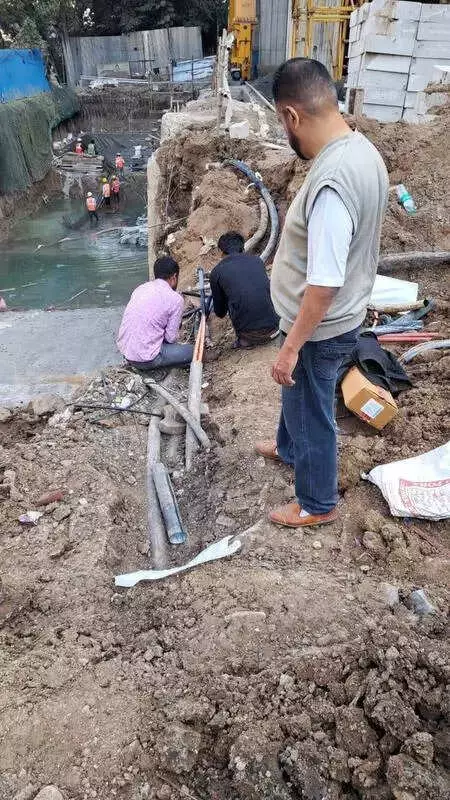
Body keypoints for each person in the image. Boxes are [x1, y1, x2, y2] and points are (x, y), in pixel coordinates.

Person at [255, 58, 389, 529]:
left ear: (292, 116)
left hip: (320, 328)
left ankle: (316, 501)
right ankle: (289, 448)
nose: (285, 133)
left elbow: (325, 282)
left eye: (281, 122)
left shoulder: (332, 183)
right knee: (297, 397)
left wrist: (291, 346)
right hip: (333, 318)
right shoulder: (360, 150)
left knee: (311, 408)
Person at [117, 256, 194, 370]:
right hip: (147, 359)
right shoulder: (175, 299)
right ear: (174, 277)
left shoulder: (140, 289)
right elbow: (170, 338)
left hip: (126, 353)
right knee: (193, 351)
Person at [210, 231, 279, 348]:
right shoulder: (257, 261)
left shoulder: (217, 272)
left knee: (232, 299)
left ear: (221, 252)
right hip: (275, 328)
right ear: (243, 247)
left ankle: (244, 340)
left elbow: (220, 312)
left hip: (251, 336)